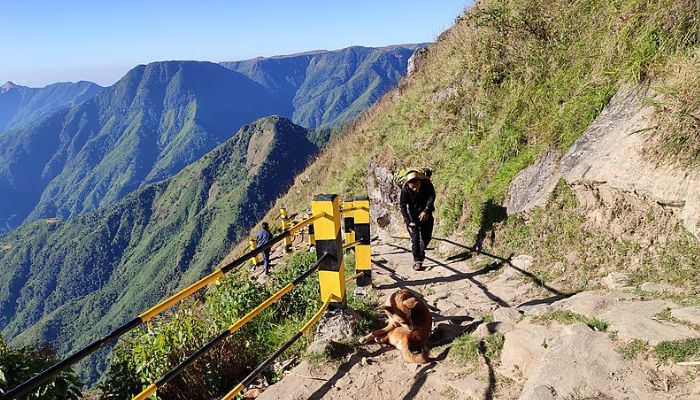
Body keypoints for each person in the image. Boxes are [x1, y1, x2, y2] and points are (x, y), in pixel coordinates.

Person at [399, 169, 435, 271]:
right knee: (415, 240)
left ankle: (421, 253)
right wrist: (408, 221)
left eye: (417, 186)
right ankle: (417, 261)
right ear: (408, 184)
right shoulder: (405, 190)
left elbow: (432, 196)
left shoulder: (426, 184)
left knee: (426, 237)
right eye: (412, 187)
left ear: (420, 181)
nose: (415, 189)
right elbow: (402, 206)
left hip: (426, 214)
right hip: (412, 217)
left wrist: (426, 210)